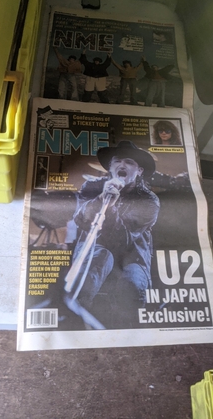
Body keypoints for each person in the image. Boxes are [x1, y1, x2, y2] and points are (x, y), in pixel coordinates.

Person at [70, 140, 160, 326]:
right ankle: (76, 321)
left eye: (129, 162)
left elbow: (124, 240)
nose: (122, 165)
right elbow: (81, 220)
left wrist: (111, 209)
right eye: (117, 161)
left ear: (139, 171)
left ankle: (128, 331)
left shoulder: (148, 200)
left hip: (132, 255)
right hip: (95, 248)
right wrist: (101, 199)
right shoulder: (92, 187)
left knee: (132, 286)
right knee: (97, 261)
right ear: (110, 168)